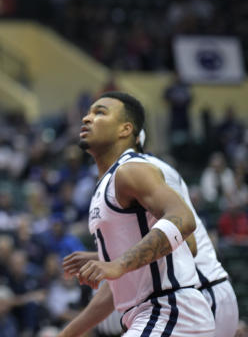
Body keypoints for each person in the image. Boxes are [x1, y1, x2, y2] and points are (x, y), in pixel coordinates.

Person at [58, 92, 215, 337]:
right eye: (88, 112)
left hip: (170, 311)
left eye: (100, 112)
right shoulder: (105, 184)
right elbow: (112, 287)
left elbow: (184, 221)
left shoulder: (131, 170)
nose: (87, 118)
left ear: (125, 129)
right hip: (150, 316)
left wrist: (119, 264)